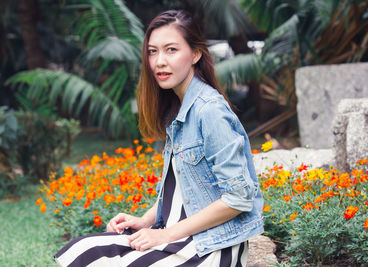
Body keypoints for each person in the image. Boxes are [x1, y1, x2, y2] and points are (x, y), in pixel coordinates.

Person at [54, 10, 263, 267]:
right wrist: (145, 221)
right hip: (180, 235)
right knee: (82, 250)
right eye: (153, 51)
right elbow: (184, 191)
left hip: (210, 247)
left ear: (196, 54)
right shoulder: (178, 108)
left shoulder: (209, 110)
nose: (159, 61)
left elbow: (239, 198)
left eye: (171, 50)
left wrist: (163, 235)